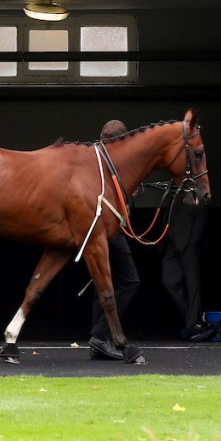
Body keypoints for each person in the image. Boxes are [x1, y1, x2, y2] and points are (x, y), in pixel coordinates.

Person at [88, 119, 141, 360]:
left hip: (100, 229)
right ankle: (101, 336)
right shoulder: (111, 162)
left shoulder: (96, 158)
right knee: (129, 281)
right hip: (107, 229)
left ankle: (100, 340)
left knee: (103, 285)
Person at [162, 192, 207, 340]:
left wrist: (192, 242)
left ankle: (193, 323)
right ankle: (192, 317)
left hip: (189, 246)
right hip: (173, 245)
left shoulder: (200, 195)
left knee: (193, 285)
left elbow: (201, 219)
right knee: (169, 281)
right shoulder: (175, 194)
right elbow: (167, 216)